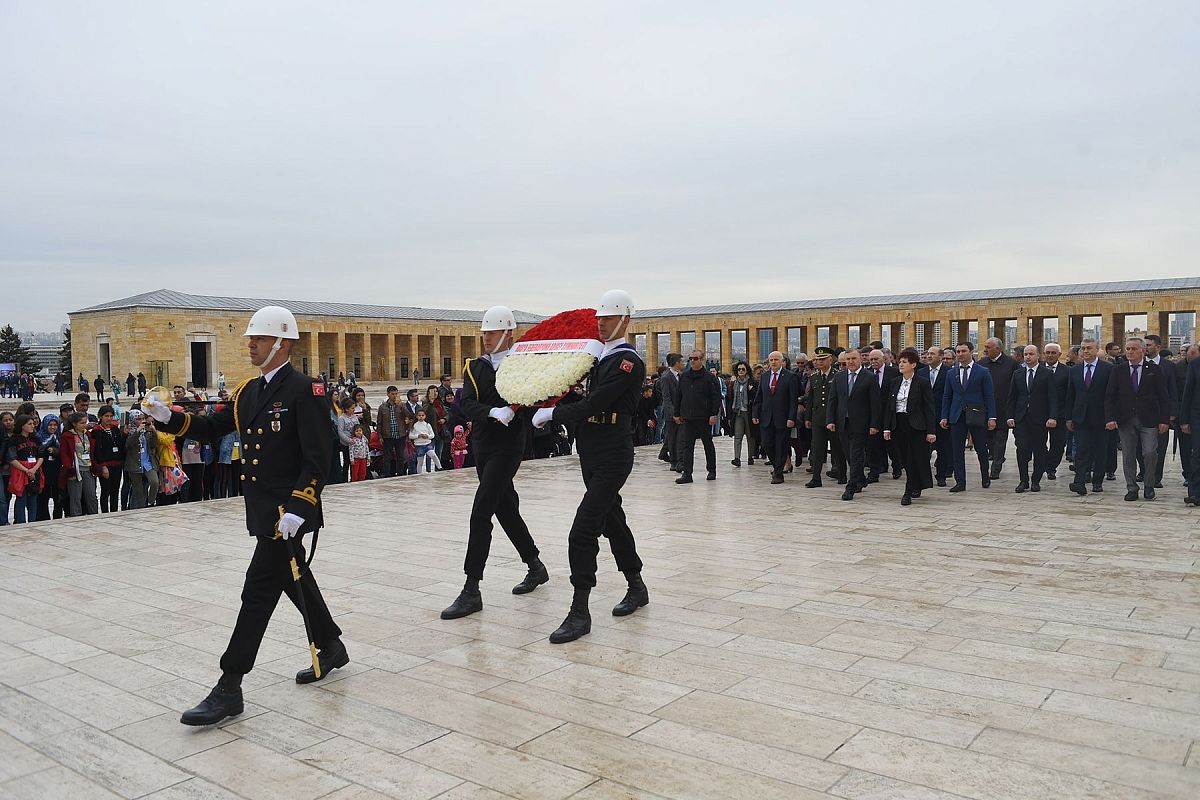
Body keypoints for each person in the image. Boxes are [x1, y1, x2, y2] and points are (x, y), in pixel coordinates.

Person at [143, 304, 347, 726]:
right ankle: (331, 645)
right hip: (263, 512)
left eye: (258, 339)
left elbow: (318, 459)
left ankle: (229, 685)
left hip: (288, 512)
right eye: (251, 339)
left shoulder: (306, 391)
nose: (251, 345)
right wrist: (170, 418)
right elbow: (212, 428)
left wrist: (299, 507)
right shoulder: (247, 392)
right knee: (294, 579)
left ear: (282, 343)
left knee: (256, 594)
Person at [532, 290, 648, 644]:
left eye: (608, 318)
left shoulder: (628, 362)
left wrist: (554, 413)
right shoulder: (597, 358)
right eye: (599, 318)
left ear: (625, 320)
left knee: (583, 530)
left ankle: (579, 611)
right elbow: (580, 395)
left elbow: (596, 402)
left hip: (614, 452)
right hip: (591, 450)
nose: (601, 323)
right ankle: (636, 585)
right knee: (612, 520)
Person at [442, 304, 547, 620]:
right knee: (505, 508)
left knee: (481, 510)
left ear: (507, 333)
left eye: (492, 332)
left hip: (509, 447)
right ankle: (535, 565)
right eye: (484, 332)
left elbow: (534, 398)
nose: (486, 338)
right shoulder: (475, 367)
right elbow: (467, 404)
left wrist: (532, 410)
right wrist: (492, 412)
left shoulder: (521, 364)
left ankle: (471, 588)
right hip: (483, 445)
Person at [1105, 338, 1170, 501]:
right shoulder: (1118, 370)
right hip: (1125, 419)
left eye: (1134, 349)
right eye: (1127, 349)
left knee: (1149, 452)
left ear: (1142, 351)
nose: (1130, 352)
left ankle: (1149, 485)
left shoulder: (1154, 370)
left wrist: (1164, 420)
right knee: (1128, 454)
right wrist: (1110, 418)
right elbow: (1110, 396)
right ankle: (1132, 487)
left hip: (1149, 419)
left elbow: (1163, 396)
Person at [882, 349, 937, 505]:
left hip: (916, 425)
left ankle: (908, 489)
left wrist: (931, 430)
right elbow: (889, 407)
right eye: (900, 362)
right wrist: (887, 428)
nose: (901, 364)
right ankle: (915, 483)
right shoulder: (894, 382)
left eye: (904, 362)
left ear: (913, 364)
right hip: (898, 423)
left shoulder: (922, 383)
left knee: (915, 457)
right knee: (904, 458)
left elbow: (929, 408)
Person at [940, 341, 997, 493]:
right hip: (957, 415)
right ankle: (960, 481)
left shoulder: (982, 371)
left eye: (963, 351)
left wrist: (992, 417)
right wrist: (944, 416)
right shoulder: (951, 373)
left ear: (971, 352)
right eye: (958, 352)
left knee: (981, 448)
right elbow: (947, 396)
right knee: (957, 449)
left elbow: (989, 395)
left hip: (976, 414)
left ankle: (985, 476)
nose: (960, 354)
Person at [826, 348, 881, 500]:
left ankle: (850, 487)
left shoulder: (869, 378)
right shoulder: (839, 377)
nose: (850, 362)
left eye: (853, 359)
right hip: (842, 422)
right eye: (848, 359)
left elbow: (875, 403)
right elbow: (833, 400)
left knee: (856, 454)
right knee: (849, 454)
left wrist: (874, 424)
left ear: (860, 360)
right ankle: (860, 479)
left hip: (861, 423)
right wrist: (830, 420)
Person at [1005, 344, 1059, 493]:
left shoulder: (1046, 373)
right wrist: (1010, 416)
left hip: (1040, 419)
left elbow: (1053, 397)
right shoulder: (1018, 373)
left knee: (1040, 450)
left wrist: (1052, 417)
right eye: (1026, 354)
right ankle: (1023, 480)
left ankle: (1036, 480)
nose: (1028, 357)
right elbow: (1012, 397)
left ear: (1038, 356)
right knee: (1021, 448)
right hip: (1021, 418)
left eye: (1031, 354)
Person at [1065, 338, 1114, 496]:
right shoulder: (1075, 370)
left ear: (1097, 350)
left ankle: (1097, 480)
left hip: (1101, 417)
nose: (1086, 351)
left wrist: (1110, 417)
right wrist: (1069, 417)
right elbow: (1070, 395)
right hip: (1080, 417)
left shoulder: (1107, 369)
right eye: (1083, 348)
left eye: (1089, 348)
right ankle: (1079, 481)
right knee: (1081, 450)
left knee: (1100, 450)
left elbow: (1111, 395)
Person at [674, 349, 721, 484]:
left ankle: (711, 470)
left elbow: (716, 397)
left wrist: (713, 413)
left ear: (702, 360)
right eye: (691, 359)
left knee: (708, 444)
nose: (693, 361)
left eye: (696, 358)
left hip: (704, 417)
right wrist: (677, 413)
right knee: (687, 446)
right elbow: (679, 396)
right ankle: (687, 473)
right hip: (688, 417)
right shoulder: (684, 376)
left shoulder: (709, 377)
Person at [753, 351, 800, 485]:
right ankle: (777, 467)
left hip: (783, 418)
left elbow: (793, 400)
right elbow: (759, 397)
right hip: (766, 417)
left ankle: (778, 473)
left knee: (781, 446)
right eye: (771, 360)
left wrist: (791, 417)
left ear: (781, 361)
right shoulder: (765, 376)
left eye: (776, 360)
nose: (773, 362)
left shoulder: (790, 377)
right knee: (767, 444)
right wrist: (755, 414)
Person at [803, 347, 844, 487]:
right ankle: (816, 478)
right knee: (817, 449)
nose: (819, 362)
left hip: (834, 419)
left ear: (830, 359)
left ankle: (841, 474)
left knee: (837, 448)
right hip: (818, 418)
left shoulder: (838, 375)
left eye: (822, 359)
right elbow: (811, 399)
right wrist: (808, 418)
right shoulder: (814, 376)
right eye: (817, 360)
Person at [6, 414, 44, 523]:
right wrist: (26, 470)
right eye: (29, 424)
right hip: (20, 470)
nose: (33, 426)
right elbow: (12, 458)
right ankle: (20, 522)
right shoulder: (14, 439)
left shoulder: (36, 438)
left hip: (34, 469)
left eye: (33, 424)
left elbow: (41, 456)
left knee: (33, 497)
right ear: (22, 426)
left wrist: (34, 469)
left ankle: (33, 521)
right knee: (21, 497)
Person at [60, 412, 99, 516]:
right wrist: (69, 468)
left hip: (88, 468)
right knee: (75, 497)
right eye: (81, 423)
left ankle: (94, 514)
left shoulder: (87, 434)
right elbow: (65, 454)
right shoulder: (67, 436)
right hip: (76, 469)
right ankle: (76, 516)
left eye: (85, 422)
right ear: (74, 423)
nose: (84, 425)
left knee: (91, 495)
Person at [1042, 343, 1070, 480]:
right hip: (1040, 413)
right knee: (1039, 442)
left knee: (1058, 444)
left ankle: (1051, 467)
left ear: (1059, 355)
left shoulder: (1067, 371)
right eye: (1047, 352)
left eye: (1053, 353)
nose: (1050, 355)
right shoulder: (1038, 369)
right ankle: (1043, 464)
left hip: (1060, 413)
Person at [90, 405, 125, 513]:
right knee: (105, 490)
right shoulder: (97, 431)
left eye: (111, 416)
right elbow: (97, 451)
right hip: (105, 465)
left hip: (117, 464)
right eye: (106, 416)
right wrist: (103, 466)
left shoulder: (115, 429)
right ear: (101, 416)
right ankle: (105, 512)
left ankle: (114, 511)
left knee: (115, 490)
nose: (109, 418)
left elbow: (120, 444)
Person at [124, 411, 161, 509]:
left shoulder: (146, 432)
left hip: (147, 462)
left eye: (142, 419)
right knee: (138, 491)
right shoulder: (128, 432)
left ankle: (150, 502)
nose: (141, 421)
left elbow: (153, 445)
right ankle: (140, 510)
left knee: (154, 482)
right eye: (138, 419)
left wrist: (153, 432)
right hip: (134, 463)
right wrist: (137, 432)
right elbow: (128, 445)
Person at [657, 353, 684, 471]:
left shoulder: (681, 375)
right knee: (672, 438)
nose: (683, 363)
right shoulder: (666, 377)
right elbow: (666, 398)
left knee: (680, 438)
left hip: (681, 412)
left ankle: (680, 460)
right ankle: (674, 461)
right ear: (676, 363)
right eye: (681, 361)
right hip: (671, 414)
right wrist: (674, 414)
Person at [729, 361, 758, 467]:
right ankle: (737, 458)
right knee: (738, 436)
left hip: (749, 413)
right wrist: (729, 416)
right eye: (739, 369)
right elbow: (731, 399)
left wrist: (752, 390)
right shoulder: (734, 383)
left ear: (747, 371)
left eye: (743, 369)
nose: (740, 371)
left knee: (750, 436)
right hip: (738, 413)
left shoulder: (752, 382)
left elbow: (757, 397)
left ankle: (750, 457)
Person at [36, 415, 63, 520]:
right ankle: (44, 518)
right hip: (44, 471)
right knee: (43, 497)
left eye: (55, 425)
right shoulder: (39, 438)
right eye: (50, 425)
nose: (53, 427)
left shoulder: (59, 437)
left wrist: (57, 451)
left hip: (56, 471)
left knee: (58, 497)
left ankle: (57, 517)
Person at [376, 386, 405, 477]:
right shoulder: (382, 407)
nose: (394, 396)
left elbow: (409, 416)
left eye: (396, 393)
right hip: (388, 435)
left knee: (400, 456)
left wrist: (402, 407)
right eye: (392, 394)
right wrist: (380, 436)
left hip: (400, 434)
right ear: (388, 394)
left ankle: (400, 473)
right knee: (387, 456)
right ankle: (386, 473)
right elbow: (379, 422)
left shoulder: (402, 405)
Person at [409, 408, 439, 473]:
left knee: (433, 455)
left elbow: (432, 435)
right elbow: (410, 436)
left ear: (425, 416)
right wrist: (418, 436)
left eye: (422, 415)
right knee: (420, 462)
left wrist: (427, 436)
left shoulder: (427, 425)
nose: (421, 417)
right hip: (419, 445)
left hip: (427, 444)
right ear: (417, 416)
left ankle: (440, 467)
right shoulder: (414, 425)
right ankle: (419, 474)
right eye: (419, 415)